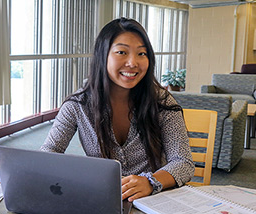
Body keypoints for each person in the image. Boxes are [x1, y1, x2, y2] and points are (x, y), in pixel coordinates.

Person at [41, 17, 195, 201]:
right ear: (102, 55)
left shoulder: (161, 102)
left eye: (142, 54)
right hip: (102, 199)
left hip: (153, 200)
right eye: (122, 52)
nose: (133, 63)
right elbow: (48, 154)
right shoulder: (78, 105)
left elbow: (183, 162)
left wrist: (150, 182)